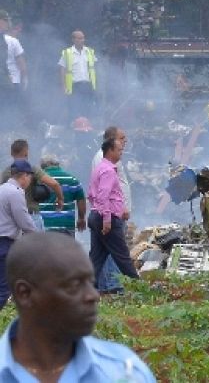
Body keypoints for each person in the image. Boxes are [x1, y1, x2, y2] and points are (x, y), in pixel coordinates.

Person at [0, 231, 157, 381]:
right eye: (74, 285)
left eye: (90, 282)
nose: (93, 295)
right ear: (24, 293)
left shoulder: (125, 372)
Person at [87, 139, 138, 293]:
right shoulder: (108, 170)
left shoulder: (100, 167)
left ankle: (85, 288)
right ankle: (139, 288)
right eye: (119, 150)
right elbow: (103, 196)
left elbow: (91, 194)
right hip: (106, 219)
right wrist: (107, 219)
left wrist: (98, 211)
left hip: (96, 215)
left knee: (97, 257)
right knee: (122, 256)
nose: (121, 153)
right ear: (110, 150)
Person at [1, 161, 38, 308]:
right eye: (30, 177)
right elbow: (24, 221)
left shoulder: (2, 189)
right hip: (5, 244)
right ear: (24, 176)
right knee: (4, 288)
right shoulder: (15, 193)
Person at [58, 30, 98, 119]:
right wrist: (63, 86)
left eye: (83, 38)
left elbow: (94, 67)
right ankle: (73, 130)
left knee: (88, 110)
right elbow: (62, 70)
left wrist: (95, 84)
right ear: (73, 40)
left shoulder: (89, 52)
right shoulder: (67, 53)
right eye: (79, 38)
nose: (82, 40)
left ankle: (87, 130)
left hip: (88, 86)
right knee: (74, 110)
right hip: (74, 87)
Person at [0, 11, 27, 95]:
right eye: (6, 20)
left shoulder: (4, 39)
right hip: (7, 83)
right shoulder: (12, 41)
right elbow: (22, 64)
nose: (8, 24)